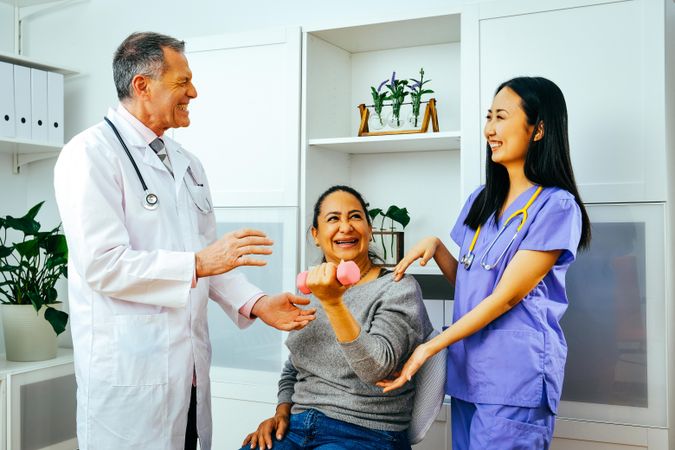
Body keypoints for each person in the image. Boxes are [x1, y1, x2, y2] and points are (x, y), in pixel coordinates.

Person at [53, 32, 315, 450]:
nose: (193, 92)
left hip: (189, 373)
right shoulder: (89, 154)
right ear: (142, 85)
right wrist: (197, 264)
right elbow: (103, 265)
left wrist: (258, 303)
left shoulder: (188, 164)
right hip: (131, 376)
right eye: (182, 82)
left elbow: (212, 260)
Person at [378, 77, 591, 449]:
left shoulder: (556, 207)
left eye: (501, 117)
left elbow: (507, 297)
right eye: (488, 117)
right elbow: (474, 286)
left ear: (538, 129)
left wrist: (430, 347)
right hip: (469, 373)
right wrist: (439, 248)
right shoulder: (482, 199)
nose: (489, 129)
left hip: (515, 378)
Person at [241, 185, 433, 450]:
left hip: (367, 432)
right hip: (296, 427)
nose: (346, 227)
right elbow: (294, 366)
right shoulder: (313, 289)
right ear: (316, 235)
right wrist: (282, 411)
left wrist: (333, 303)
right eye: (333, 219)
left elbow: (377, 368)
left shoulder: (398, 287)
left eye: (355, 217)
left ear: (369, 229)